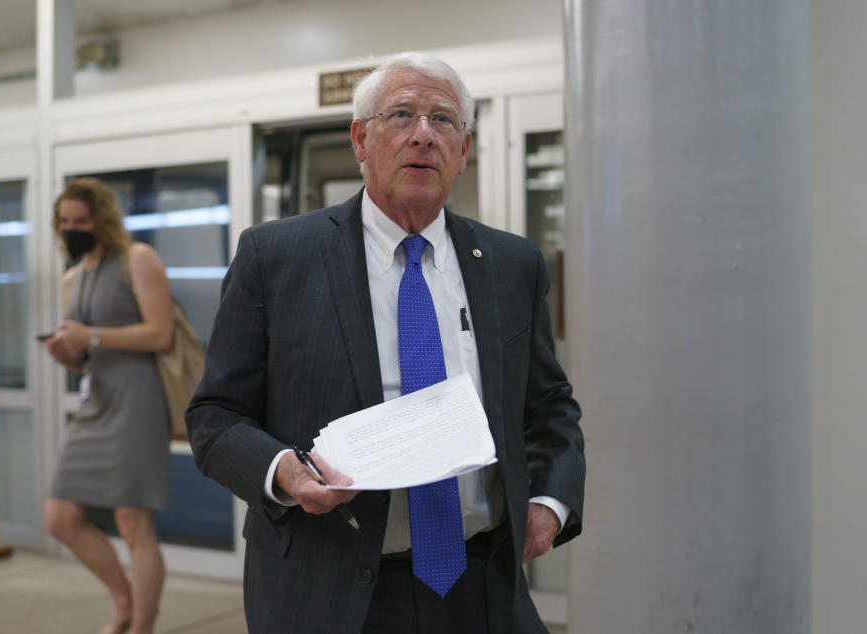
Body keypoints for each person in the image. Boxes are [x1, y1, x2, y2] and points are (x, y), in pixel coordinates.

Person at [187, 52, 585, 634]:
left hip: (484, 586)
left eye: (444, 120)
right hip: (328, 589)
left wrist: (549, 505)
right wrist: (284, 472)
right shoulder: (277, 258)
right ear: (360, 140)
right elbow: (215, 416)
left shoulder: (511, 264)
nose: (423, 135)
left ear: (465, 150)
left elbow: (549, 406)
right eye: (401, 115)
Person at [44, 178, 173, 634]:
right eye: (65, 221)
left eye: (81, 220)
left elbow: (161, 333)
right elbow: (87, 357)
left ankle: (141, 624)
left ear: (102, 220)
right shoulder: (71, 277)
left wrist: (92, 336)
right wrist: (71, 355)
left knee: (133, 519)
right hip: (96, 396)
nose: (72, 228)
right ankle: (123, 599)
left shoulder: (136, 260)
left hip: (138, 396)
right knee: (59, 518)